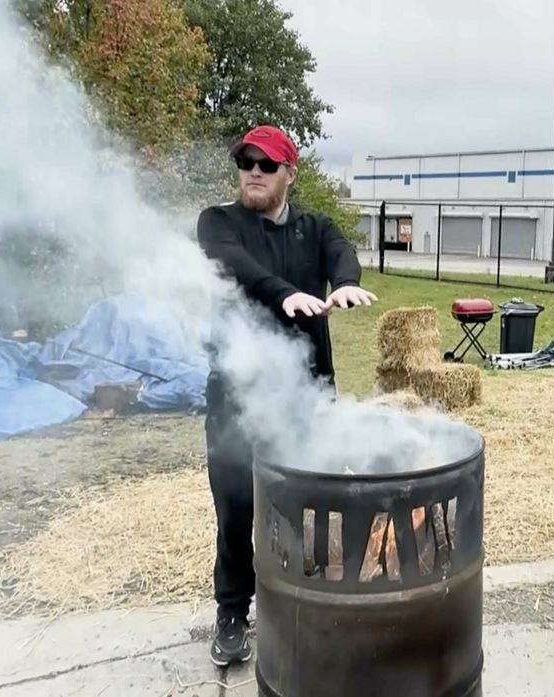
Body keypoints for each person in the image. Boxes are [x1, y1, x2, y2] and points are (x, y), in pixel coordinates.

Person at [196, 124, 378, 666]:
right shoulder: (217, 222)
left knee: (307, 507)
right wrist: (288, 294)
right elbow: (240, 268)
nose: (253, 170)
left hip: (305, 398)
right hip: (236, 397)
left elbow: (342, 251)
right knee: (235, 510)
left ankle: (305, 607)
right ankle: (232, 613)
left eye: (266, 164)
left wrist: (343, 280)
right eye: (246, 161)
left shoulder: (314, 227)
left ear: (288, 173)